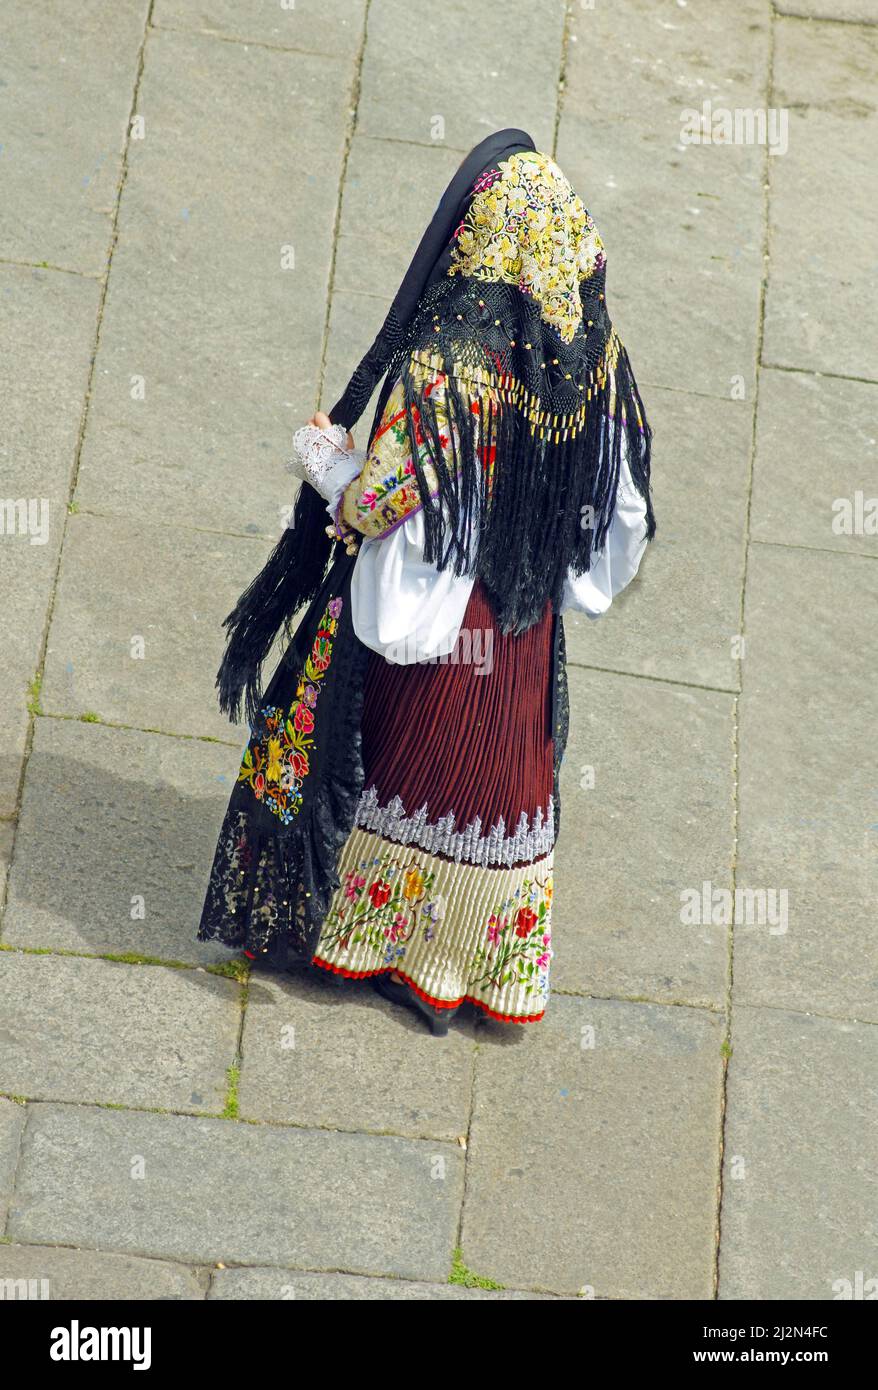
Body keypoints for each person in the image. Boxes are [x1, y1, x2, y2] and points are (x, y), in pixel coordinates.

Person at [196, 129, 655, 1035]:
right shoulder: (593, 352)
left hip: (436, 628)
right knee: (496, 777)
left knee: (395, 759)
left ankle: (364, 942)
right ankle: (469, 966)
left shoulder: (452, 358)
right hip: (516, 630)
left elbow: (382, 499)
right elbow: (622, 497)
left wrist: (326, 464)